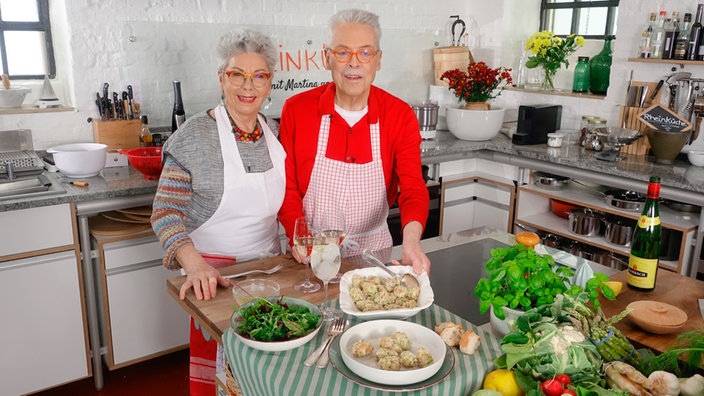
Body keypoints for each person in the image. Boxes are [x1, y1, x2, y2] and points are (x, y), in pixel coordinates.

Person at [150, 29, 284, 396]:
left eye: (259, 76)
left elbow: (286, 204)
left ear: (270, 82)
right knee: (221, 376)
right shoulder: (194, 136)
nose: (248, 86)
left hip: (269, 272)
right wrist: (194, 264)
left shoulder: (276, 133)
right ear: (221, 78)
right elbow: (164, 213)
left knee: (269, 369)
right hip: (213, 278)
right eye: (236, 74)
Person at [278, 9, 431, 275]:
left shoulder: (399, 115)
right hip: (312, 255)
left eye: (365, 52)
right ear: (327, 57)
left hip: (375, 256)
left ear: (378, 60)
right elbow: (287, 190)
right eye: (342, 52)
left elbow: (413, 188)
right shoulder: (297, 110)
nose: (354, 63)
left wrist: (412, 241)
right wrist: (299, 239)